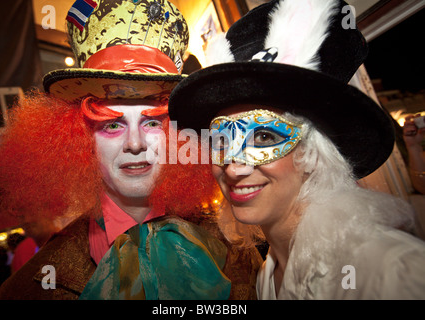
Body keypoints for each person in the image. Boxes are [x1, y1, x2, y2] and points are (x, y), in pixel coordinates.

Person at [0, 0, 261, 300]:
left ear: (177, 134)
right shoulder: (29, 290)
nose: (135, 144)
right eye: (112, 125)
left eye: (152, 122)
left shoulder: (240, 253)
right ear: (80, 138)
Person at [169, 0, 425, 299]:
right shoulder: (268, 275)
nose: (234, 167)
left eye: (264, 137)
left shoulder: (389, 270)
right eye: (221, 141)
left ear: (314, 154)